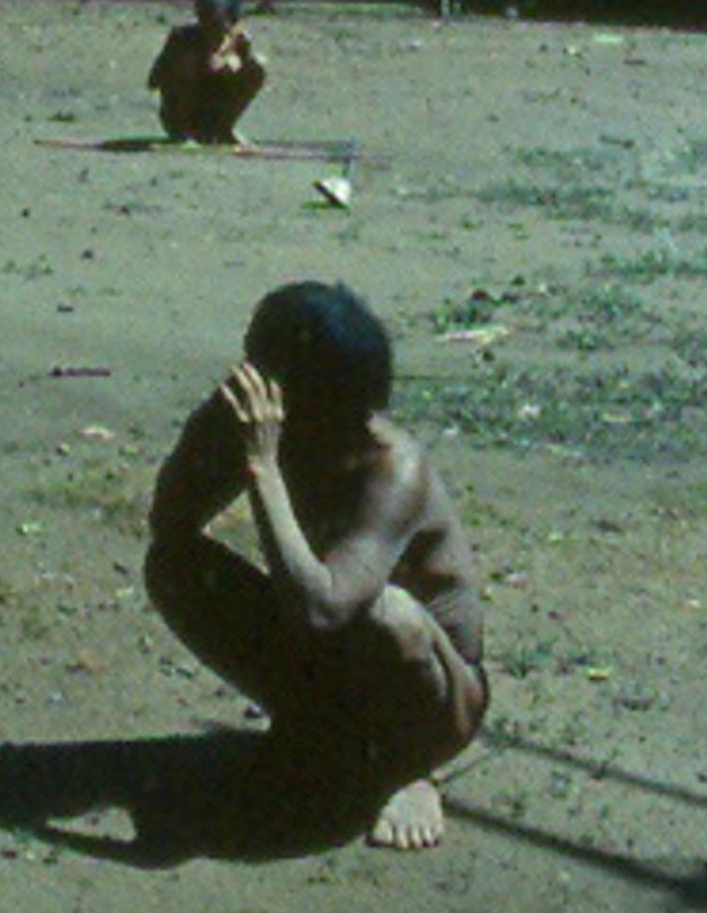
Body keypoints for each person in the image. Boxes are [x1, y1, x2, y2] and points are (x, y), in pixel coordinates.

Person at [143, 279, 486, 850]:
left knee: (389, 615)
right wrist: (218, 424)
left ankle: (409, 768)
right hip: (338, 665)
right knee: (175, 567)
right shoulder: (286, 433)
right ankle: (319, 733)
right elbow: (171, 522)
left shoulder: (393, 470)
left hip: (436, 701)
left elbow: (323, 612)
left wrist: (261, 468)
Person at [148, 0, 266, 145]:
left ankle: (223, 128)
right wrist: (193, 63)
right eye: (204, 17)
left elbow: (244, 77)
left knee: (258, 64)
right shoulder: (182, 38)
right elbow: (153, 81)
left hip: (215, 110)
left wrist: (234, 66)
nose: (210, 25)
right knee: (186, 62)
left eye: (217, 20)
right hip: (180, 114)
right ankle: (183, 132)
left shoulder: (239, 41)